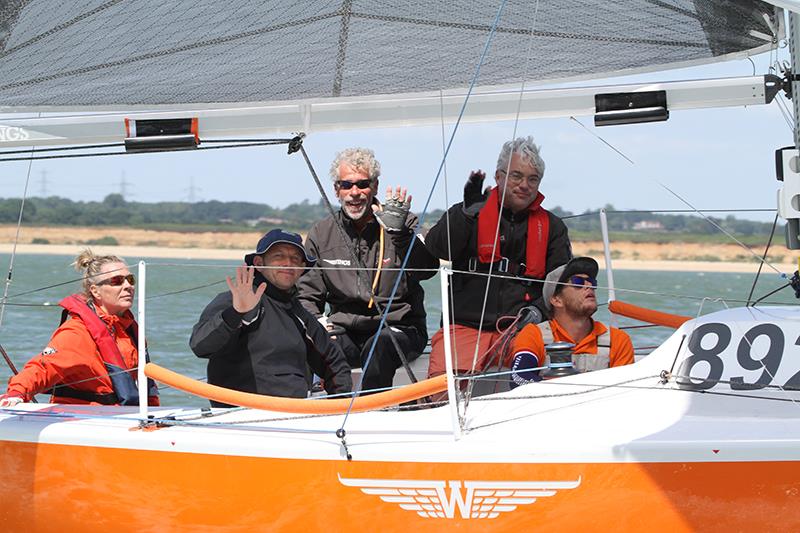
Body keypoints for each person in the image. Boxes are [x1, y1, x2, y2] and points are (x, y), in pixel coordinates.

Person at [425, 136, 573, 379]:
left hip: (524, 330)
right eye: (516, 176)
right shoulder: (467, 213)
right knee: (441, 395)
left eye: (532, 179)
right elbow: (437, 249)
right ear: (498, 176)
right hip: (464, 327)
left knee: (553, 382)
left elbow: (560, 285)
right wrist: (466, 214)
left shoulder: (553, 228)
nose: (524, 185)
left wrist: (537, 310)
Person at [297, 147, 439, 392]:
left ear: (374, 186)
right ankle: (323, 414)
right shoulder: (321, 233)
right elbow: (307, 294)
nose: (354, 193)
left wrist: (401, 235)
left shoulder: (405, 222)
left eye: (362, 184)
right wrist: (316, 321)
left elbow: (428, 269)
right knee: (308, 342)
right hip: (345, 330)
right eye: (346, 185)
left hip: (400, 328)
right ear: (336, 190)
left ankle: (373, 414)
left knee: (381, 344)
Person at [191, 229, 352, 406]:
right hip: (237, 415)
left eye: (295, 259)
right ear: (259, 263)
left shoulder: (300, 315)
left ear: (301, 269)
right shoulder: (234, 299)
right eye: (279, 256)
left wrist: (340, 405)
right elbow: (200, 346)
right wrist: (236, 313)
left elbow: (334, 362)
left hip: (294, 415)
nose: (288, 264)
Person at [0, 250, 159, 407]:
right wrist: (17, 393)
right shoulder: (79, 331)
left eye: (130, 279)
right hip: (83, 418)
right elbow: (44, 366)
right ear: (95, 291)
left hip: (120, 416)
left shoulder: (128, 329)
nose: (128, 286)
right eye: (117, 281)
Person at [508, 257, 634, 385]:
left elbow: (624, 391)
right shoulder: (534, 335)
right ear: (557, 300)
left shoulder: (617, 340)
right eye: (577, 282)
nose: (589, 286)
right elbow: (519, 378)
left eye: (591, 281)